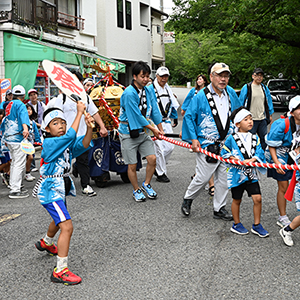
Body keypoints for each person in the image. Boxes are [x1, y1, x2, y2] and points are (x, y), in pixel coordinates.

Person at [34, 102, 94, 285]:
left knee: (59, 220)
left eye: (63, 122)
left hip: (59, 189)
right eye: (55, 123)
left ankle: (46, 242)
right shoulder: (51, 143)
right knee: (67, 226)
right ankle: (60, 270)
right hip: (50, 191)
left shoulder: (65, 144)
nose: (60, 125)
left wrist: (90, 128)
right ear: (46, 128)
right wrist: (79, 113)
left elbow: (83, 143)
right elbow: (71, 136)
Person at [181, 62, 240, 219]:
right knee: (203, 177)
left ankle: (219, 208)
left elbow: (238, 113)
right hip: (208, 142)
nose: (223, 79)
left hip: (227, 144)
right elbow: (188, 116)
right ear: (211, 77)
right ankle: (188, 198)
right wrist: (193, 139)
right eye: (220, 75)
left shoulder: (231, 93)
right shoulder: (200, 95)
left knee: (224, 179)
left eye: (226, 76)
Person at [48, 71, 108, 196]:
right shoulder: (61, 98)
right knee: (64, 162)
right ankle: (61, 184)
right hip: (65, 136)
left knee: (83, 160)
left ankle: (85, 185)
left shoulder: (85, 97)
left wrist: (102, 126)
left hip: (82, 135)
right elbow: (57, 117)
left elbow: (94, 113)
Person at [118, 60, 164, 202]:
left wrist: (160, 128)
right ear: (134, 76)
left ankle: (147, 184)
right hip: (128, 132)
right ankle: (136, 189)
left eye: (147, 76)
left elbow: (154, 108)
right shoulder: (129, 93)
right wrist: (153, 129)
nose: (145, 79)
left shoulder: (148, 90)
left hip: (143, 131)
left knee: (152, 159)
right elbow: (136, 116)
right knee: (132, 165)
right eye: (142, 76)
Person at [221, 107, 269, 237]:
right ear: (237, 124)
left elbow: (260, 151)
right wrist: (232, 158)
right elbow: (224, 152)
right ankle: (236, 224)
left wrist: (253, 159)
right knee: (237, 199)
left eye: (251, 119)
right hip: (237, 174)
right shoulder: (232, 138)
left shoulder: (255, 137)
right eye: (246, 119)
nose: (250, 122)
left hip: (251, 174)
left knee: (257, 198)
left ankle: (257, 225)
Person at [265, 96, 300, 228]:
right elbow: (271, 145)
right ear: (291, 112)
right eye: (299, 109)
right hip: (279, 154)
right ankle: (282, 216)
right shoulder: (282, 124)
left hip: (293, 154)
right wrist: (276, 163)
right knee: (283, 186)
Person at [147, 66, 179, 183]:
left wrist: (174, 117)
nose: (164, 79)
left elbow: (172, 104)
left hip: (166, 121)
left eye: (166, 76)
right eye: (162, 76)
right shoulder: (150, 89)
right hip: (154, 122)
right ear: (157, 76)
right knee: (159, 148)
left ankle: (157, 166)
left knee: (170, 147)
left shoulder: (167, 89)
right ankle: (161, 173)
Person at [1, 85, 30, 198]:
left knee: (14, 163)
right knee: (19, 163)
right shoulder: (21, 105)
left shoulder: (8, 105)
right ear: (23, 96)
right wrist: (25, 128)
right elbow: (23, 117)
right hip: (17, 137)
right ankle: (15, 189)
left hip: (8, 137)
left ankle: (14, 186)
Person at [239, 67, 274, 151]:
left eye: (261, 76)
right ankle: (250, 157)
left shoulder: (264, 88)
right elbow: (241, 102)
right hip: (251, 119)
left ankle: (262, 158)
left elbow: (268, 102)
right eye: (257, 75)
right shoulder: (247, 87)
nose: (259, 77)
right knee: (250, 139)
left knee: (264, 140)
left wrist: (270, 115)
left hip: (262, 119)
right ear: (253, 76)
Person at [24, 103, 41, 181]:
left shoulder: (33, 122)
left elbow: (36, 132)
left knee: (30, 157)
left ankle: (27, 173)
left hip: (30, 143)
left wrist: (38, 141)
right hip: (22, 142)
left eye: (30, 109)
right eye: (27, 109)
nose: (28, 111)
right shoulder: (22, 120)